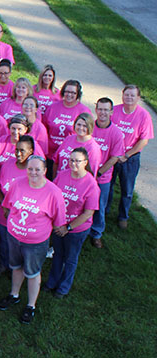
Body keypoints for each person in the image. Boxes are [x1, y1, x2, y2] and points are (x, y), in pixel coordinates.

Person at [0, 155, 66, 324]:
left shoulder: (53, 192)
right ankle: (14, 295)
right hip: (14, 236)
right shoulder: (17, 184)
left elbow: (59, 221)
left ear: (45, 170)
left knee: (33, 273)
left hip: (35, 243)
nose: (33, 173)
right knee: (16, 267)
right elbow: (7, 205)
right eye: (30, 169)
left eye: (37, 169)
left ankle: (31, 305)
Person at [47, 148, 99, 298]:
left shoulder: (91, 185)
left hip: (76, 229)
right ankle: (51, 282)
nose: (73, 164)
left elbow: (88, 213)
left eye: (77, 161)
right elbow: (53, 195)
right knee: (57, 255)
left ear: (85, 163)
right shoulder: (62, 175)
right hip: (59, 225)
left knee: (70, 258)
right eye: (71, 160)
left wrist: (68, 227)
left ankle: (63, 288)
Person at [109, 85, 152, 230]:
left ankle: (123, 216)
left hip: (130, 158)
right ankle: (104, 210)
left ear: (138, 98)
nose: (129, 98)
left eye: (132, 95)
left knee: (127, 190)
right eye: (126, 95)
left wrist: (127, 155)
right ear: (122, 95)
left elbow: (143, 140)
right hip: (112, 155)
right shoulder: (114, 110)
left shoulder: (144, 115)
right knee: (107, 185)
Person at [0, 135, 36, 275]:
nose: (18, 154)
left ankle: (16, 269)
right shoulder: (7, 164)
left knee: (17, 246)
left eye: (22, 151)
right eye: (16, 150)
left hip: (21, 218)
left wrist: (15, 211)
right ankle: (4, 264)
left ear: (31, 151)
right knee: (4, 242)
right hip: (3, 212)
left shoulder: (33, 171)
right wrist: (5, 207)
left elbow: (34, 198)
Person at [89, 97, 123, 247]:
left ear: (111, 112)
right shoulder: (90, 127)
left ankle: (96, 233)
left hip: (102, 177)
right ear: (96, 110)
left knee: (99, 206)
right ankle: (80, 229)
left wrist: (99, 173)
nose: (102, 112)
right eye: (100, 109)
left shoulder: (116, 133)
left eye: (106, 110)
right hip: (85, 174)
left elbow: (115, 157)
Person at [43, 80, 91, 158]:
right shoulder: (53, 107)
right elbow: (44, 128)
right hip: (50, 153)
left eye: (73, 93)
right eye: (67, 91)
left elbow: (88, 134)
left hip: (70, 155)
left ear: (78, 94)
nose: (69, 94)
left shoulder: (83, 110)